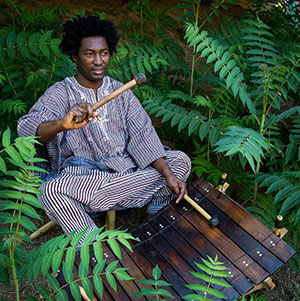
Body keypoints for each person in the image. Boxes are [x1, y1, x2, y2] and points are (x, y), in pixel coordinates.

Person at [18, 15, 191, 246]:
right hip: (84, 179)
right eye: (90, 54)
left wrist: (168, 174)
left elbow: (144, 136)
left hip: (125, 173)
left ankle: (150, 219)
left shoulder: (122, 92)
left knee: (179, 161)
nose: (99, 61)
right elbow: (27, 129)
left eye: (104, 53)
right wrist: (62, 123)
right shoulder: (61, 93)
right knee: (51, 191)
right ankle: (97, 248)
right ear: (74, 56)